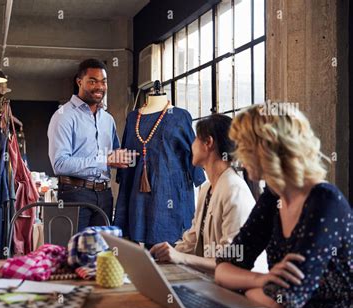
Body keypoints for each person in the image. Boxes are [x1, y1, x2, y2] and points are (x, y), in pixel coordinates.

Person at [214, 104, 352, 308]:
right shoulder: (272, 196)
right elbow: (223, 269)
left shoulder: (325, 202)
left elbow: (283, 303)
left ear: (266, 149)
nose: (239, 156)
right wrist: (262, 280)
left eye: (244, 146)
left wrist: (248, 287)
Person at [149, 114, 258, 273]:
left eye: (195, 139)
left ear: (208, 142)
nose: (191, 145)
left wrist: (180, 257)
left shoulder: (235, 191)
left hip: (236, 289)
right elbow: (191, 242)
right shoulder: (207, 189)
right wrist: (164, 253)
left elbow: (231, 264)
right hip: (211, 282)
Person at [48, 58, 133, 231]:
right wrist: (105, 161)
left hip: (105, 195)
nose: (100, 87)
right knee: (75, 252)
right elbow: (60, 164)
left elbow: (116, 155)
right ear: (79, 82)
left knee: (101, 252)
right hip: (74, 194)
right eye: (92, 81)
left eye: (103, 82)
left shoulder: (108, 119)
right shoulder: (63, 115)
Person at [114, 90, 206, 248]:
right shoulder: (132, 118)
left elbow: (193, 154)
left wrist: (201, 180)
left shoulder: (180, 116)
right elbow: (126, 157)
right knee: (138, 250)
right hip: (137, 195)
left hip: (169, 192)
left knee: (169, 252)